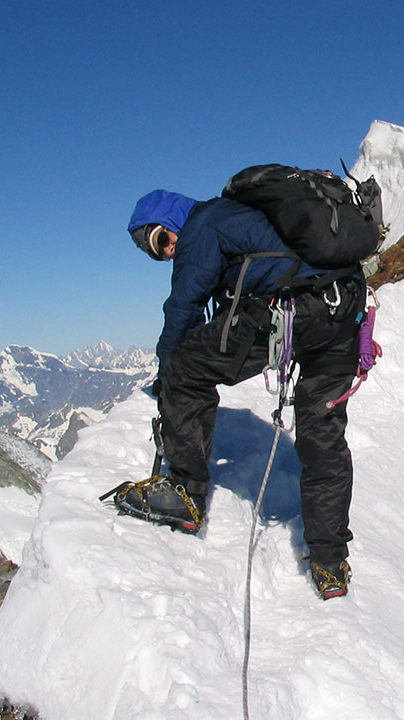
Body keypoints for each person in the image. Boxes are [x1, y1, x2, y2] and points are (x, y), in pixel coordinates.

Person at [121, 188, 364, 599]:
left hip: (289, 307)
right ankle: (330, 560)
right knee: (323, 436)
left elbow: (183, 307)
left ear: (174, 218)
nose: (167, 253)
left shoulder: (203, 224)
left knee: (186, 368)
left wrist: (168, 370)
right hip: (345, 306)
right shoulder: (240, 216)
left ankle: (184, 492)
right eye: (156, 253)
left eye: (161, 239)